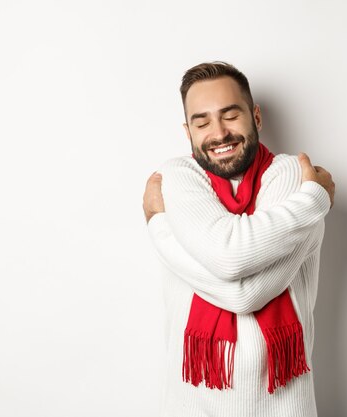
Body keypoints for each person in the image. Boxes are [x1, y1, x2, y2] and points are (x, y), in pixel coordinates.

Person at [143, 62, 336, 417]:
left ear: (256, 117)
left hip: (285, 406)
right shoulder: (179, 175)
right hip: (190, 404)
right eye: (202, 122)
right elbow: (234, 263)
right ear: (188, 131)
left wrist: (161, 231)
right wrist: (313, 202)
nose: (218, 133)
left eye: (230, 115)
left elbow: (243, 290)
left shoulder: (292, 174)